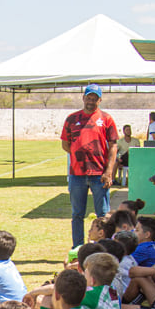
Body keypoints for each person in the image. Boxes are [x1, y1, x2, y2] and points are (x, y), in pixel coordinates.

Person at [61, 83, 119, 247]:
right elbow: (65, 144)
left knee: (102, 215)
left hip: (99, 174)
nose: (91, 101)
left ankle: (106, 246)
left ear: (99, 100)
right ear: (83, 98)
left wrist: (109, 171)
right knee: (77, 214)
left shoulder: (106, 119)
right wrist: (77, 153)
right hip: (77, 175)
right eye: (89, 97)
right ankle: (78, 247)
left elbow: (113, 146)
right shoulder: (72, 119)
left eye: (95, 98)